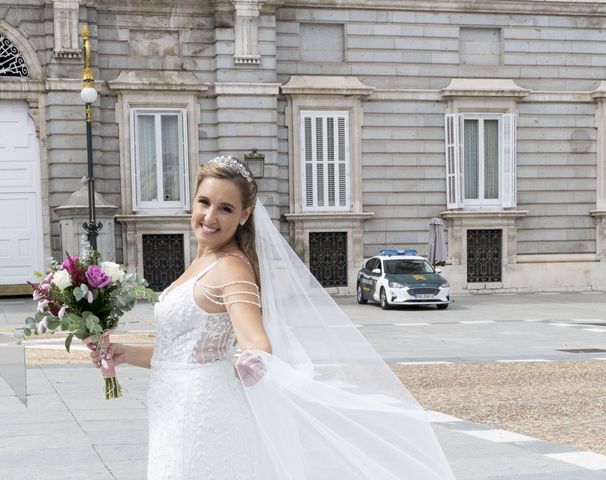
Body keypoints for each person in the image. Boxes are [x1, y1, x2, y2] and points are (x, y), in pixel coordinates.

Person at [89, 156, 456, 480]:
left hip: (200, 415)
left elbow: (255, 340)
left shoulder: (232, 267)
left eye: (226, 208)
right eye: (204, 202)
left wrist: (255, 357)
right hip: (172, 409)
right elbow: (181, 352)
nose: (210, 216)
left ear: (244, 215)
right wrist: (124, 352)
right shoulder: (202, 262)